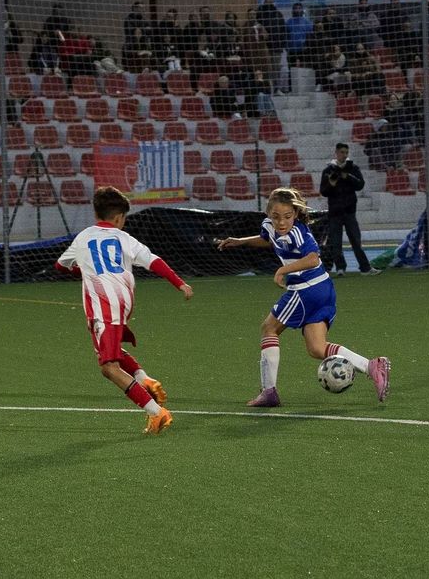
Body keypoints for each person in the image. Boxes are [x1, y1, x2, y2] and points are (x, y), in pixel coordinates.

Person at [215, 187, 390, 408]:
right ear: (268, 213)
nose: (281, 222)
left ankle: (269, 392)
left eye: (287, 217)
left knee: (269, 328)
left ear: (296, 214)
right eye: (276, 216)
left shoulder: (299, 232)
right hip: (323, 288)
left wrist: (282, 271)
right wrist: (240, 241)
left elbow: (313, 258)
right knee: (317, 348)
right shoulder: (270, 227)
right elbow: (267, 238)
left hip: (306, 289)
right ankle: (372, 366)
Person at [53, 186, 193, 435]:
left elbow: (60, 265)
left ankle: (156, 412)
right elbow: (155, 262)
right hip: (123, 302)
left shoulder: (83, 237)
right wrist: (179, 283)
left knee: (108, 367)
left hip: (103, 305)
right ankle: (143, 380)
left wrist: (82, 270)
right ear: (118, 218)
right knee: (109, 351)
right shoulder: (125, 238)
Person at [320, 143, 373, 276]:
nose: (344, 155)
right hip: (335, 212)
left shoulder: (353, 168)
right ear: (336, 153)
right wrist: (331, 184)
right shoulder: (328, 171)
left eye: (346, 152)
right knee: (336, 243)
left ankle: (365, 268)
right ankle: (340, 268)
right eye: (342, 152)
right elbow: (323, 191)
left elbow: (360, 185)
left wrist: (347, 177)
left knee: (356, 240)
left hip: (349, 211)